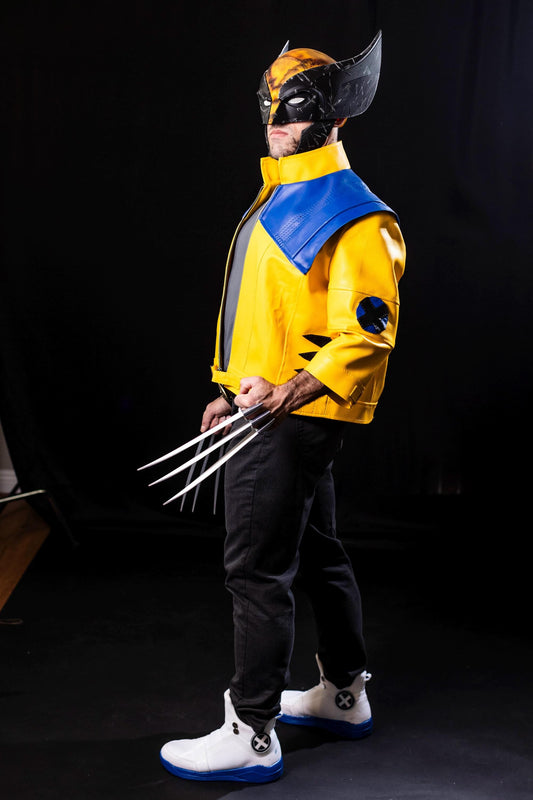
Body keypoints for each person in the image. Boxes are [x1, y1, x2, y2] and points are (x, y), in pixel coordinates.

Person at [160, 31, 406, 784]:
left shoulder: (355, 214)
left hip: (288, 421)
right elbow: (269, 315)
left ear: (337, 117)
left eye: (295, 105)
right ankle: (342, 695)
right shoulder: (279, 193)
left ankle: (252, 729)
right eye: (270, 101)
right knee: (320, 553)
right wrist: (230, 389)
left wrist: (282, 395)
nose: (276, 117)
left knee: (256, 570)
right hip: (263, 407)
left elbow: (366, 333)